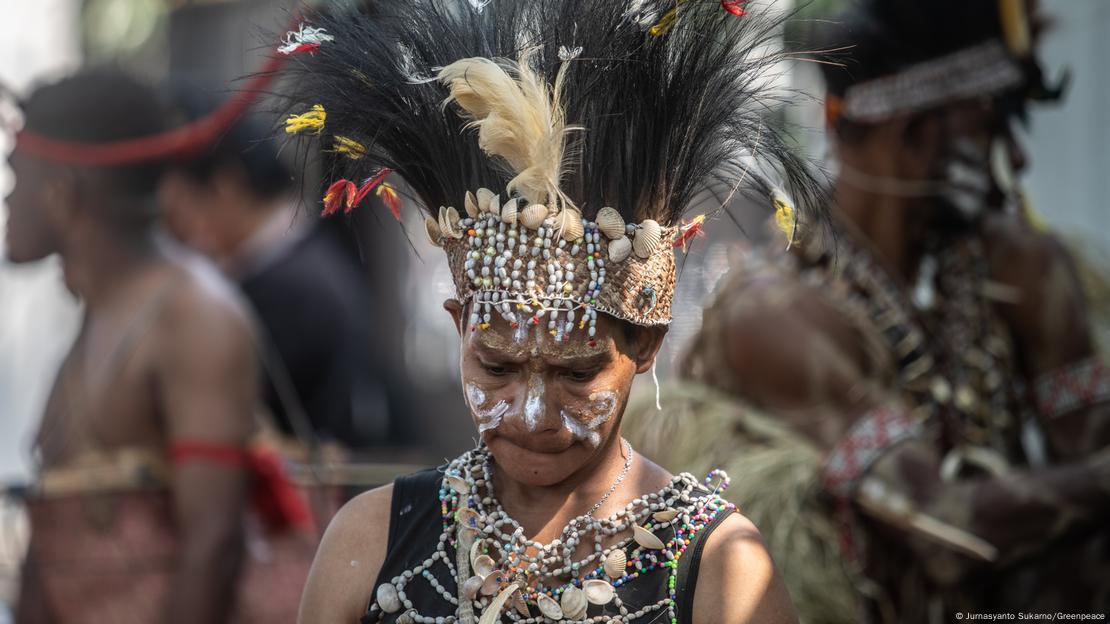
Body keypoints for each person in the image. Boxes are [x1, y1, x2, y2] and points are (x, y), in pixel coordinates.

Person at [278, 0, 825, 622]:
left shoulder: (721, 566)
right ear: (461, 327)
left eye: (576, 373)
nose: (533, 416)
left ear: (646, 346)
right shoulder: (368, 539)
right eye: (497, 367)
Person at [624, 0, 1110, 621]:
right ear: (910, 137)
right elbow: (946, 532)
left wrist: (1054, 316)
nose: (1017, 162)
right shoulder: (773, 314)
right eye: (991, 130)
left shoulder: (1011, 269)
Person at [6, 69, 309, 623]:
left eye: (15, 175)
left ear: (59, 193)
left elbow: (213, 546)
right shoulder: (107, 311)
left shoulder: (192, 317)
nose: (6, 196)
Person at [160, 88, 391, 448]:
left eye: (177, 215)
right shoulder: (302, 261)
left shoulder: (294, 290)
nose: (176, 237)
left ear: (226, 187)